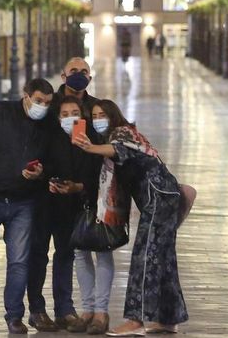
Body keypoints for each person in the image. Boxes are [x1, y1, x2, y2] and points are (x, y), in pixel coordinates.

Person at [74, 99, 186, 336]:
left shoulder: (123, 132)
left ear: (113, 115)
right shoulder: (125, 134)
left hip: (158, 196)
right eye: (94, 116)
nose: (97, 120)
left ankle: (136, 320)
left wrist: (89, 147)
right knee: (162, 257)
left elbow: (119, 150)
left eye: (102, 114)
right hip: (162, 196)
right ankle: (168, 318)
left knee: (144, 256)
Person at [0, 77, 57, 335]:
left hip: (23, 203)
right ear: (25, 95)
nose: (42, 106)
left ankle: (14, 316)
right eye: (38, 101)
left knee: (19, 261)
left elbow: (53, 160)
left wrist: (41, 172)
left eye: (48, 103)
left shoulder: (48, 125)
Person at [27, 96, 92, 332]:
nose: (69, 118)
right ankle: (37, 309)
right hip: (44, 204)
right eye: (64, 114)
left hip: (70, 206)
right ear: (57, 117)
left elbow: (91, 171)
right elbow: (36, 163)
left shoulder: (85, 139)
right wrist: (45, 178)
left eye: (74, 112)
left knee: (65, 255)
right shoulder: (47, 135)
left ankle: (64, 309)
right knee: (38, 255)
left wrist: (76, 186)